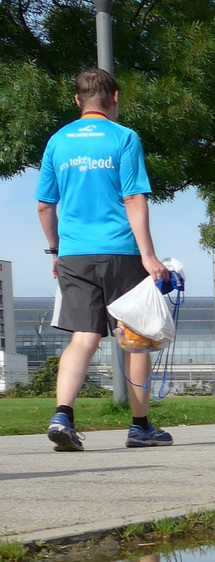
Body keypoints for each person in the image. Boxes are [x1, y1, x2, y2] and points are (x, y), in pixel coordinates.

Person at [37, 68, 172, 452]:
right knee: (134, 338)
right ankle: (140, 426)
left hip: (75, 255)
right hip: (121, 252)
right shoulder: (124, 137)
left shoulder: (58, 142)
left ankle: (63, 415)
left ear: (78, 100)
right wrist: (149, 256)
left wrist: (56, 250)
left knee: (84, 337)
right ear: (115, 99)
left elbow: (45, 206)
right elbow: (134, 198)